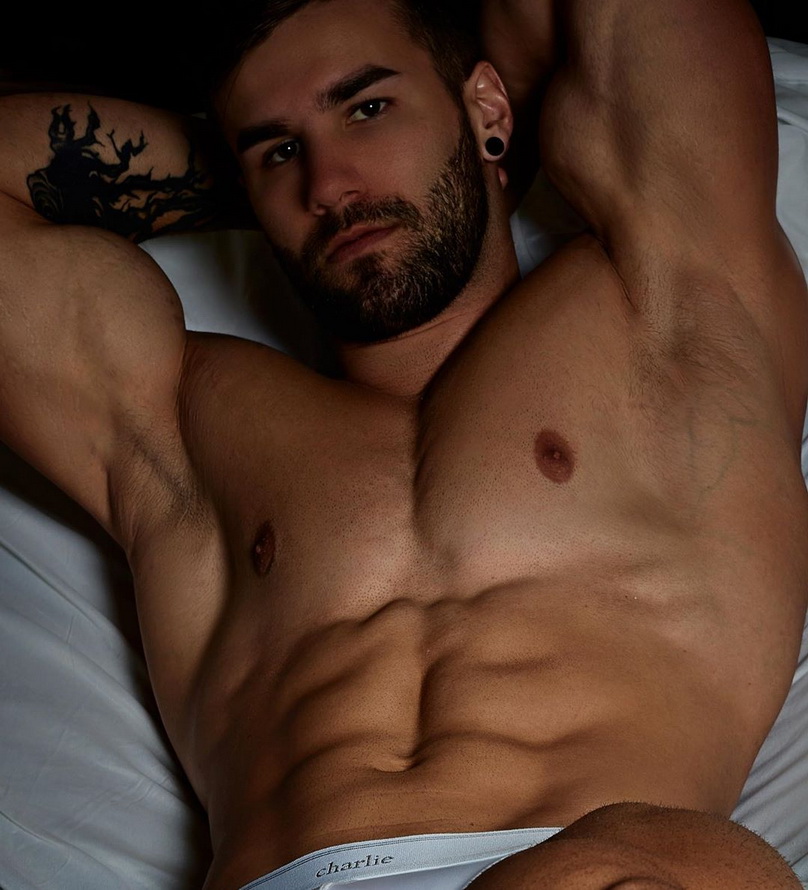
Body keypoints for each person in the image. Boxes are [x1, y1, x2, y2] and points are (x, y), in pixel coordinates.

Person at [0, 0, 806, 887]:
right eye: (281, 150)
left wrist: (500, 116)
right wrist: (236, 172)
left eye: (368, 108)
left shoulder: (669, 307)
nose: (329, 183)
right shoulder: (188, 430)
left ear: (487, 108)